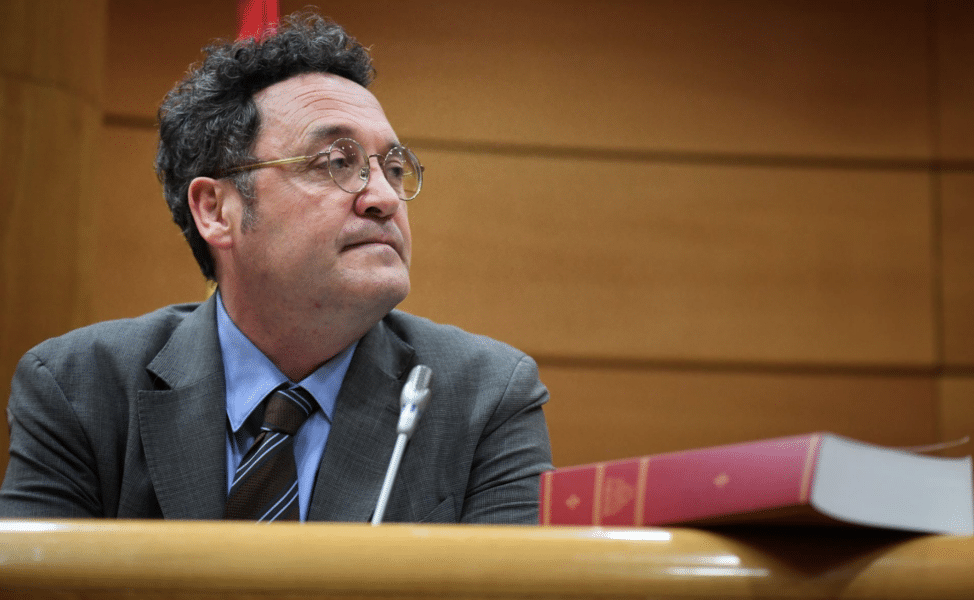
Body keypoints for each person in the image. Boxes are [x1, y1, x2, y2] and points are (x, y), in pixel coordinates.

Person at [0, 12, 552, 523]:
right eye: (338, 163)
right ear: (217, 210)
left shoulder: (486, 397)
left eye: (392, 166)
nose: (383, 197)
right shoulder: (79, 388)